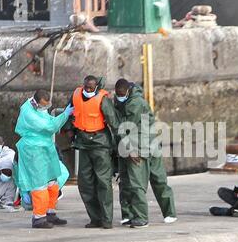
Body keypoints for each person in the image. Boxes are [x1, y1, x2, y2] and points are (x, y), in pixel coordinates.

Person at [113, 78, 177, 228]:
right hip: (151, 144)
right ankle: (169, 213)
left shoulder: (134, 104)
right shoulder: (131, 100)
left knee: (135, 183)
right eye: (117, 94)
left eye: (121, 93)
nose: (119, 96)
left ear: (128, 91)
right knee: (158, 179)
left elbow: (125, 128)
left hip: (139, 147)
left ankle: (141, 217)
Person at [14, 89, 74, 229]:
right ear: (36, 102)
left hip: (45, 147)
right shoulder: (29, 113)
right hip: (33, 149)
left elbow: (48, 119)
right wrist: (65, 114)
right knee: (39, 183)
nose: (46, 108)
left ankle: (50, 213)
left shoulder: (37, 107)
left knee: (53, 182)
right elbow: (50, 126)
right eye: (44, 105)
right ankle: (39, 218)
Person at [64, 75, 118, 229]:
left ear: (96, 87)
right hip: (83, 144)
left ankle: (107, 220)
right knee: (85, 183)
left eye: (91, 88)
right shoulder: (75, 95)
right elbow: (70, 112)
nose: (87, 90)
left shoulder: (103, 99)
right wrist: (68, 129)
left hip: (100, 144)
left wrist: (122, 144)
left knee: (103, 182)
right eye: (86, 86)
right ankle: (95, 218)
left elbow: (113, 122)